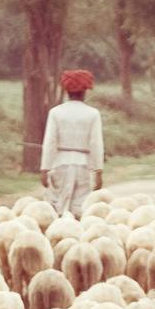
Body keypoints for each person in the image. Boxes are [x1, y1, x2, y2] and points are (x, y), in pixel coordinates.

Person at [40, 69, 105, 217]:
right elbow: (96, 144)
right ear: (85, 92)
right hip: (83, 165)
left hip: (60, 163)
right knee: (81, 207)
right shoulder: (92, 113)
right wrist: (98, 171)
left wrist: (45, 169)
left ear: (66, 91)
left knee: (58, 206)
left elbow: (49, 142)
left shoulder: (56, 112)